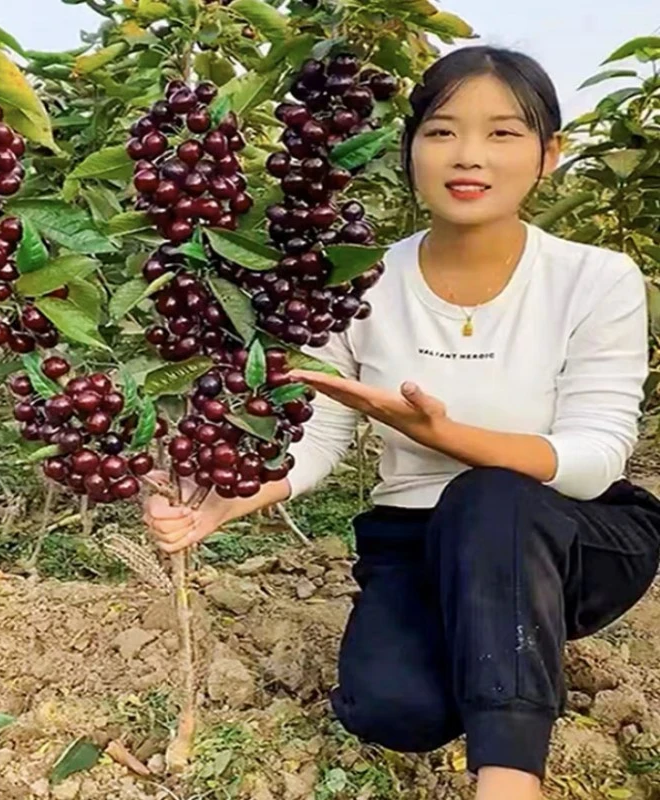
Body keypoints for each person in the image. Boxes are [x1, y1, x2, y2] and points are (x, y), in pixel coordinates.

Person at [143, 46, 660, 800]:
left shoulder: (595, 278)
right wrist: (232, 498)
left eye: (504, 134)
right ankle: (503, 639)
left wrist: (439, 434)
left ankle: (511, 777)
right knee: (393, 709)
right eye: (443, 131)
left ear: (551, 154)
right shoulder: (358, 281)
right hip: (418, 538)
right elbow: (317, 436)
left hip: (571, 534)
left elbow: (593, 458)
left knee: (492, 496)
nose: (469, 156)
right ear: (410, 148)